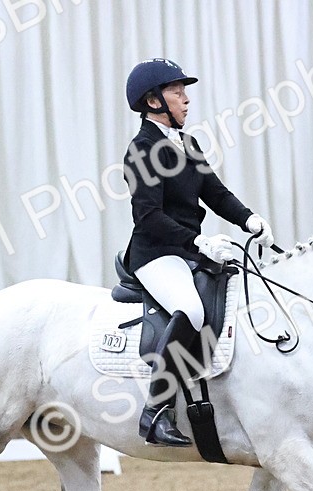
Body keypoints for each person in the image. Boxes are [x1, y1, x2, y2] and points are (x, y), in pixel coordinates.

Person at [122, 58, 275, 447]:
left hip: (188, 250)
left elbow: (215, 193)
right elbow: (148, 217)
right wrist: (199, 242)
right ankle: (155, 411)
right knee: (190, 309)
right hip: (156, 253)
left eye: (184, 92)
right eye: (177, 92)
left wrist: (250, 219)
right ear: (153, 101)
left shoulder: (187, 143)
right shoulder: (142, 150)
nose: (186, 100)